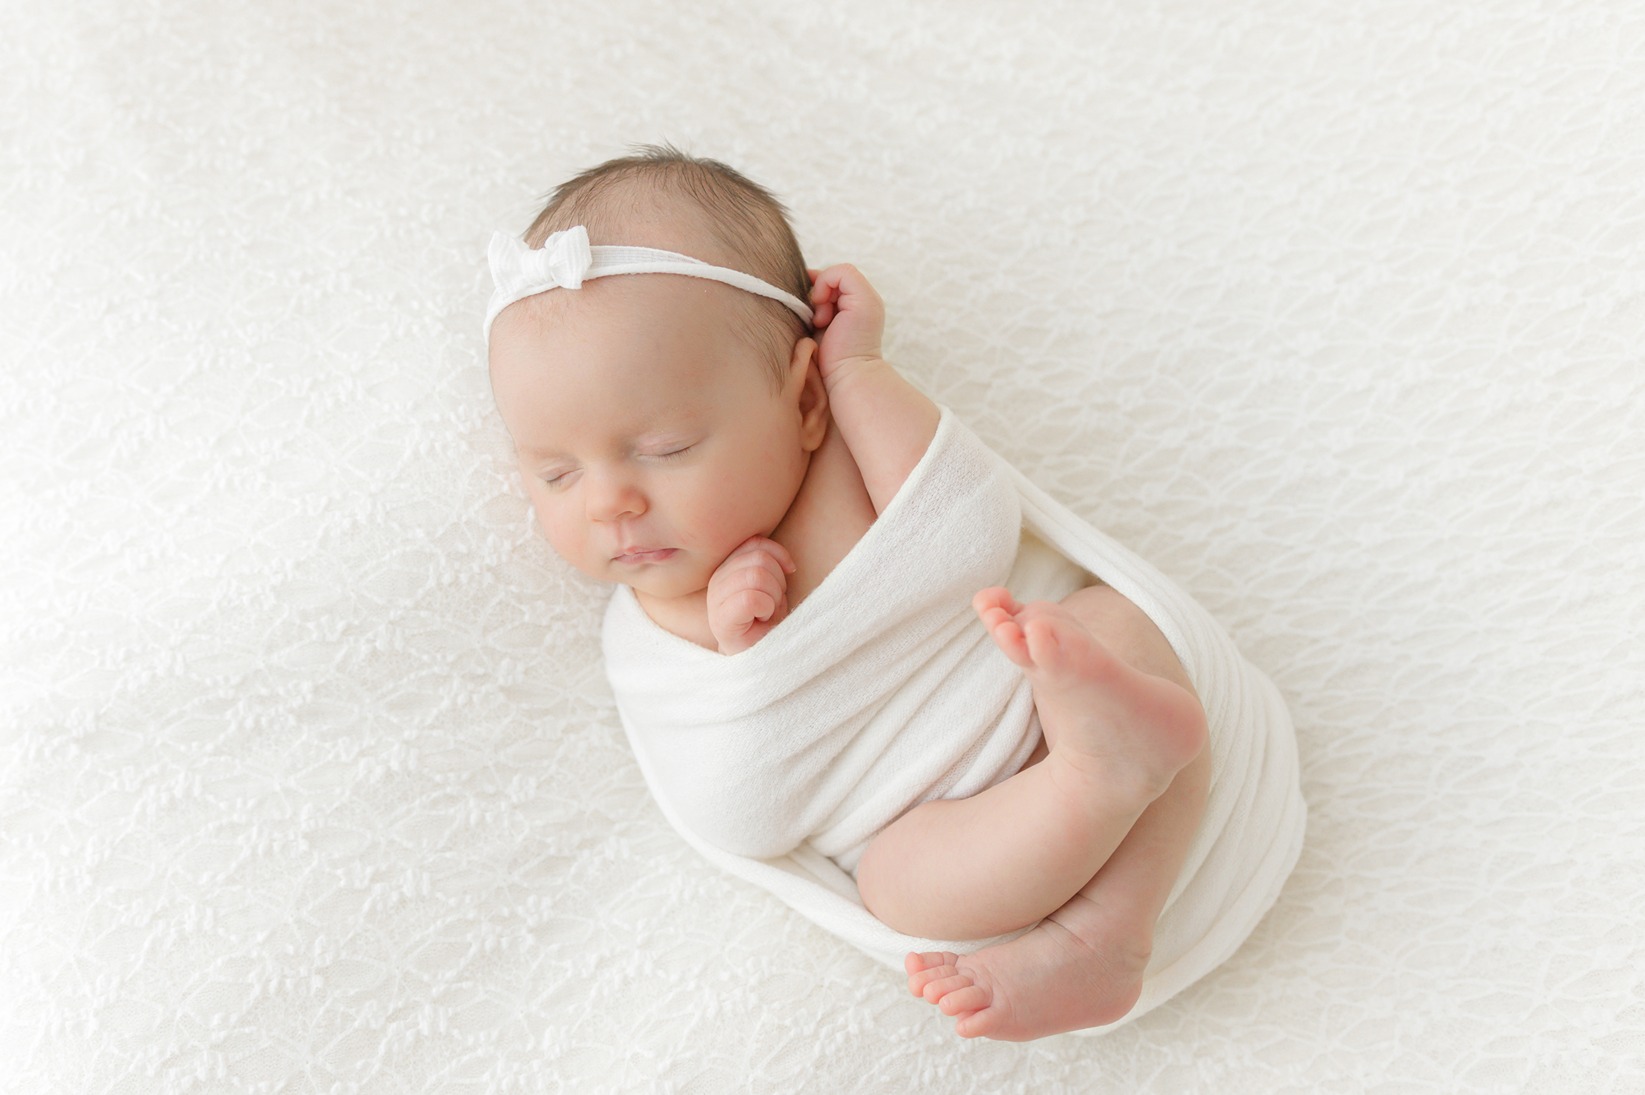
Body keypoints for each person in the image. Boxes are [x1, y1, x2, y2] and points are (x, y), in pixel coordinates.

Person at [485, 147, 1211, 1041]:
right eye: (555, 474)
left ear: (800, 401)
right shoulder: (653, 623)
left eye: (666, 447)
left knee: (1119, 622)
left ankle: (1108, 916)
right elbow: (736, 803)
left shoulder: (845, 451)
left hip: (1027, 685)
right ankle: (1097, 820)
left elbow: (964, 524)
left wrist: (859, 365)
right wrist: (732, 642)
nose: (610, 503)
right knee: (898, 883)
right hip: (929, 818)